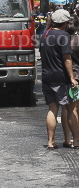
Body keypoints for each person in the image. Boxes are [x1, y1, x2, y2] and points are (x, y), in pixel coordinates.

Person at [39, 9, 79, 149]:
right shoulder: (63, 36)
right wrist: (72, 78)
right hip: (61, 78)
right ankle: (76, 141)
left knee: (52, 109)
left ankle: (50, 142)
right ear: (65, 23)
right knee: (71, 108)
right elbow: (67, 58)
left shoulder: (45, 35)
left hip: (46, 77)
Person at [61, 16, 79, 147]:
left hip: (65, 77)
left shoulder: (60, 40)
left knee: (66, 108)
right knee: (76, 109)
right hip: (77, 77)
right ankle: (77, 138)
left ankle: (67, 139)